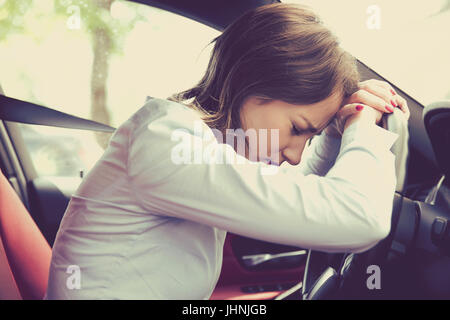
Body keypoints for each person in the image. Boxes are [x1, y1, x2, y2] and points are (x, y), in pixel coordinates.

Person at [45, 3, 409, 299]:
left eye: (308, 137)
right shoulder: (166, 142)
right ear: (252, 83)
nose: (296, 154)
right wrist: (363, 126)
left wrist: (334, 134)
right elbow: (361, 219)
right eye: (297, 129)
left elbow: (294, 194)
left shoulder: (206, 148)